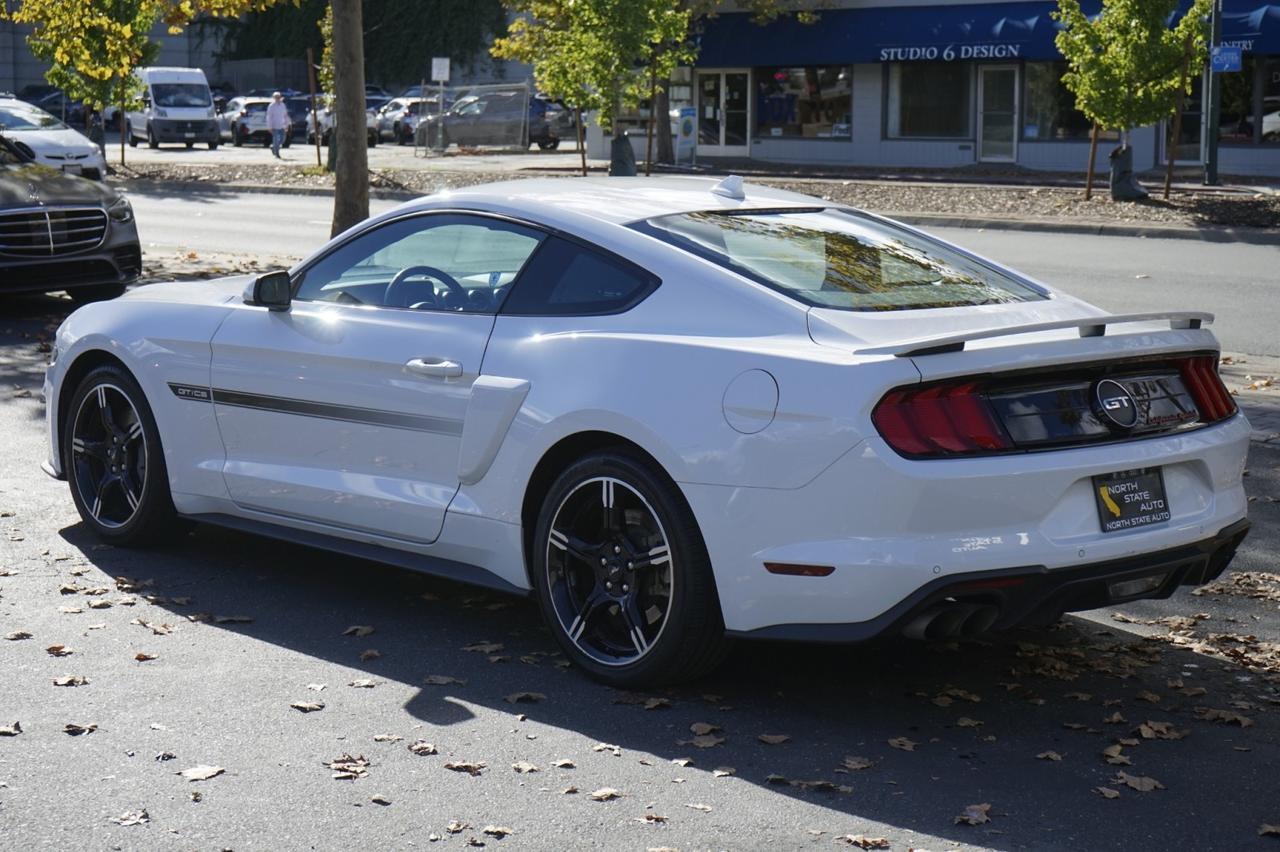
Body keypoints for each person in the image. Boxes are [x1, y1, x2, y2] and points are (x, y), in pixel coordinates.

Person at [266, 91, 289, 158]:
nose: (277, 98)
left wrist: (287, 125)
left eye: (278, 97)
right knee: (275, 140)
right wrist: (269, 126)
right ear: (274, 98)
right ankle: (277, 153)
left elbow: (285, 115)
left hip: (282, 126)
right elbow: (269, 117)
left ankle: (273, 147)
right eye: (276, 97)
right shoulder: (271, 106)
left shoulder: (283, 105)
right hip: (274, 126)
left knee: (282, 139)